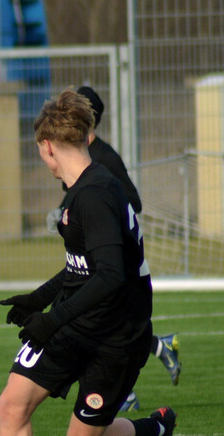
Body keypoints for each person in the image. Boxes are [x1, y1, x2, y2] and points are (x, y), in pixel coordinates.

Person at [0, 90, 176, 436]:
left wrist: (52, 319)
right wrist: (39, 299)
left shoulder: (96, 195)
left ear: (47, 145)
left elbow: (110, 275)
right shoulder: (86, 187)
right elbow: (80, 267)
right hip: (76, 322)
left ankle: (156, 428)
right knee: (11, 406)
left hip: (116, 336)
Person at [75, 86, 181, 412]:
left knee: (84, 323)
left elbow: (133, 201)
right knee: (103, 324)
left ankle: (122, 392)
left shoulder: (104, 157)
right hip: (90, 253)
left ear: (85, 118)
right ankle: (158, 349)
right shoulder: (76, 155)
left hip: (112, 256)